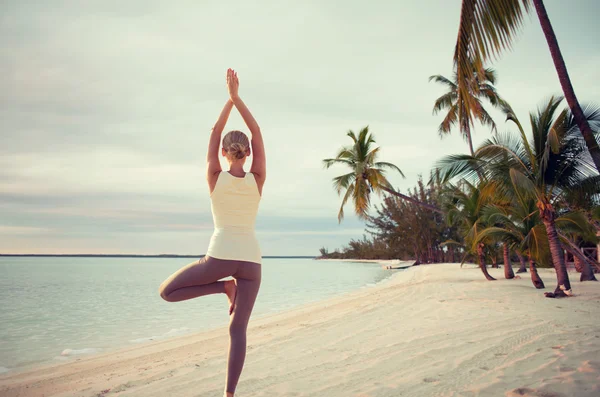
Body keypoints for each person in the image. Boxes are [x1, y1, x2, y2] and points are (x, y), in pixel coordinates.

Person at [158, 68, 266, 397]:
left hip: (219, 258)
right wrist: (237, 98)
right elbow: (257, 131)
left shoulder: (214, 176)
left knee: (167, 291)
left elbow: (215, 130)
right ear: (247, 153)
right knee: (238, 331)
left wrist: (228, 100)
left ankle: (223, 289)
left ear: (223, 153)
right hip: (252, 263)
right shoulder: (257, 177)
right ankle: (229, 395)